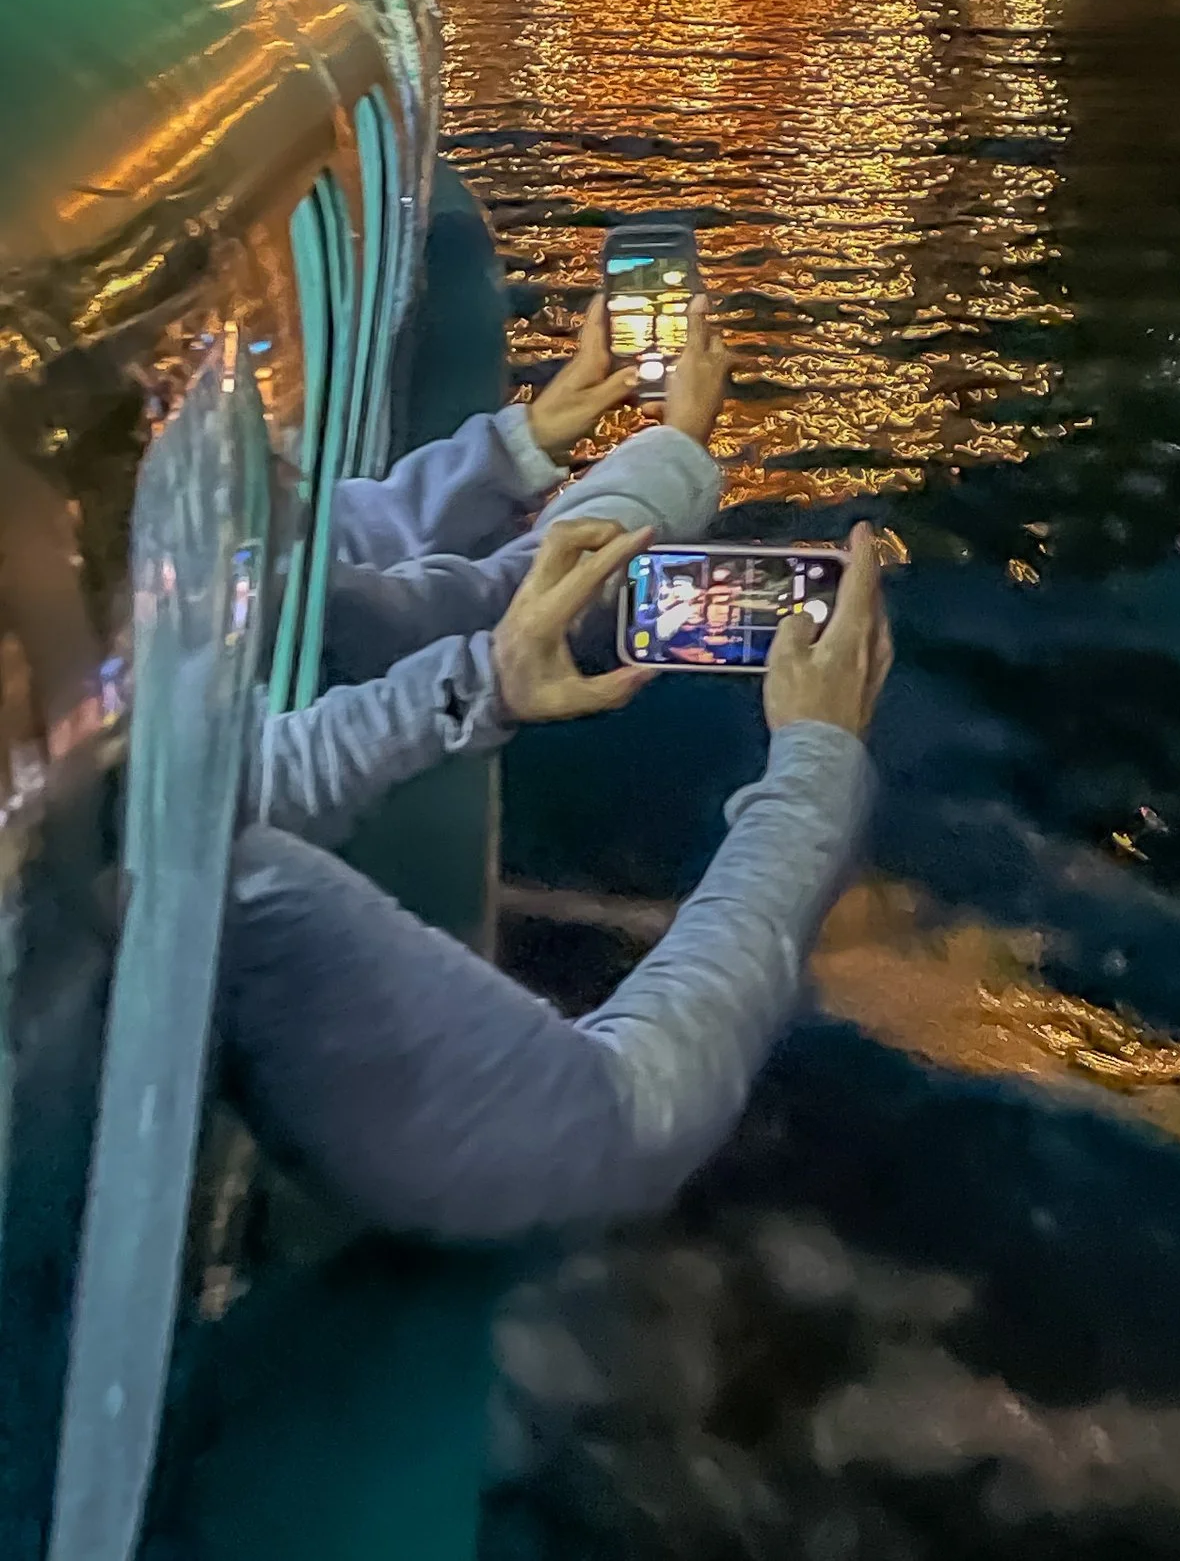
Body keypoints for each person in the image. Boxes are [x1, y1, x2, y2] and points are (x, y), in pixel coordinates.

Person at [219, 505, 892, 1241]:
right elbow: (624, 1122)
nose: (284, 474)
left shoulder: (135, 811)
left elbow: (232, 785)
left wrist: (490, 677)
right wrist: (814, 775)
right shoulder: (237, 895)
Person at [320, 298, 728, 682]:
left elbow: (350, 531)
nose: (289, 472)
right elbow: (508, 607)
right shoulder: (312, 616)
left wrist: (518, 445)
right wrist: (677, 444)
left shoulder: (280, 554)